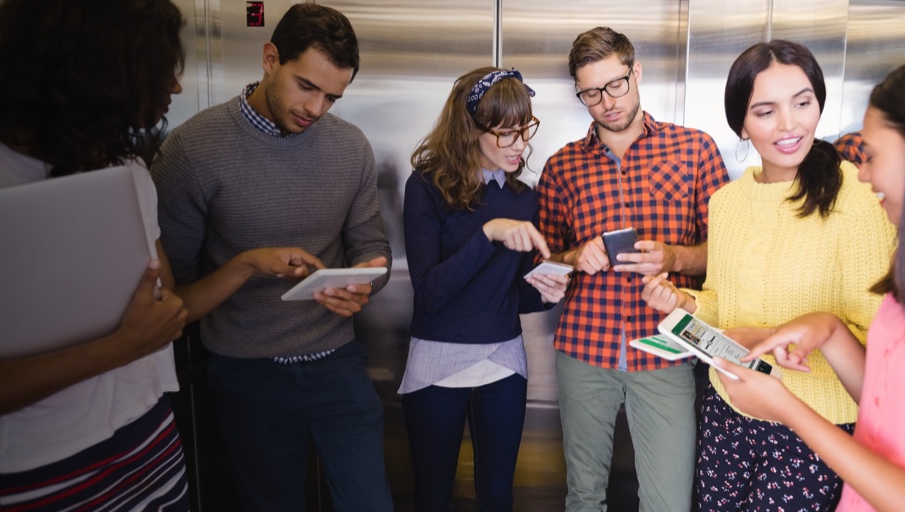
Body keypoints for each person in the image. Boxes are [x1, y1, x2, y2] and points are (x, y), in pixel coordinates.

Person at [714, 39, 905, 512]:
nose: (860, 175)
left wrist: (787, 410)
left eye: (873, 156)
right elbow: (886, 400)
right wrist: (828, 329)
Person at [150, 4, 393, 511]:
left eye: (332, 96)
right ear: (269, 58)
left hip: (339, 366)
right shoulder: (192, 150)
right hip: (247, 373)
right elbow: (171, 297)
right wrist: (247, 264)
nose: (317, 108)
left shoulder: (351, 147)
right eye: (307, 86)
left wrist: (369, 278)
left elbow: (372, 245)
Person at [641, 40, 896, 511]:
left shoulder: (857, 200)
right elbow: (726, 301)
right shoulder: (727, 202)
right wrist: (684, 303)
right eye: (766, 111)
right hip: (727, 407)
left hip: (814, 426)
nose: (789, 124)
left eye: (803, 103)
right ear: (741, 122)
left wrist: (789, 340)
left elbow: (879, 342)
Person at [0, 0, 190, 509]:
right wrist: (119, 347)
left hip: (148, 437)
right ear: (99, 72)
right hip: (40, 468)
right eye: (160, 68)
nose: (175, 87)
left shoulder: (128, 170)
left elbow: (165, 306)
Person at [535, 26, 730, 511]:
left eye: (616, 84)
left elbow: (729, 252)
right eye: (591, 93)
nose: (607, 102)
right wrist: (574, 257)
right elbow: (542, 261)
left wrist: (675, 257)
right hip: (584, 350)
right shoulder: (561, 167)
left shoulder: (695, 149)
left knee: (667, 502)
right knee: (583, 496)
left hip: (665, 350)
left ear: (635, 72)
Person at [400, 66, 569, 512]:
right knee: (433, 496)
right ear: (471, 129)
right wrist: (487, 233)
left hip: (503, 362)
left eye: (524, 131)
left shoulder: (523, 197)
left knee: (497, 496)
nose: (520, 146)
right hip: (436, 362)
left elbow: (513, 294)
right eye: (506, 134)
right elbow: (430, 294)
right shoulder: (425, 188)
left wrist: (546, 291)